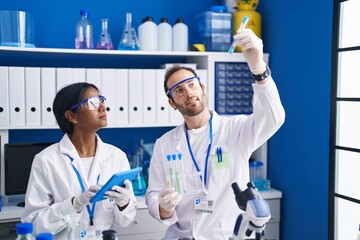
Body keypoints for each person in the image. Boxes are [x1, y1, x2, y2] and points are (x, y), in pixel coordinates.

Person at [145, 28, 285, 239]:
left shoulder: (235, 129)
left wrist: (258, 68)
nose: (188, 93)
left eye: (191, 85)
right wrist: (163, 206)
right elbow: (153, 195)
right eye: (179, 91)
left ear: (202, 87)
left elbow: (273, 118)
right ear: (172, 103)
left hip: (227, 235)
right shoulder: (164, 144)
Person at [22, 82, 137, 239]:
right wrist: (74, 204)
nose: (102, 108)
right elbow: (33, 225)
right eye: (93, 103)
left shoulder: (117, 157)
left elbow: (126, 222)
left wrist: (124, 203)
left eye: (101, 100)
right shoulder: (45, 160)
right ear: (72, 116)